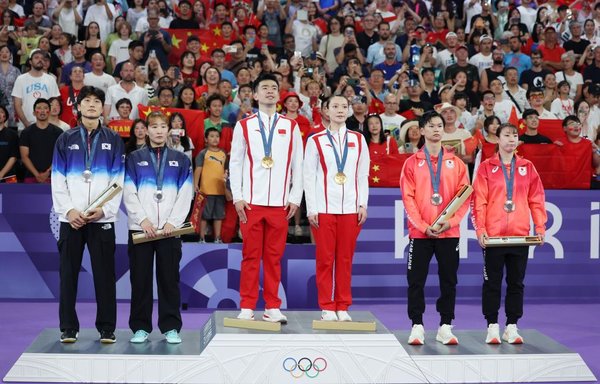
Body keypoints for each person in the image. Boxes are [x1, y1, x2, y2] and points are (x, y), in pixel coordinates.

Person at [51, 86, 125, 343]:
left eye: (97, 101)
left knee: (105, 276)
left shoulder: (114, 140)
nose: (92, 105)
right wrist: (69, 210)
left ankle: (107, 328)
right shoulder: (65, 139)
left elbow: (118, 180)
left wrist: (104, 210)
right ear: (78, 107)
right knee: (68, 275)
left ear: (103, 108)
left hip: (101, 219)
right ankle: (68, 327)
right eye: (87, 101)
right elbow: (57, 180)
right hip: (71, 219)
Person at [229, 73, 303, 323]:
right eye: (265, 88)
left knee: (273, 257)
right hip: (251, 202)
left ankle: (272, 305)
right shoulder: (244, 125)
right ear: (255, 95)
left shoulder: (291, 126)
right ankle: (247, 305)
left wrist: (295, 198)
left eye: (274, 87)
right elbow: (236, 162)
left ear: (279, 95)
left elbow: (298, 166)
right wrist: (237, 197)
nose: (270, 91)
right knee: (250, 256)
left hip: (280, 204)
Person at [472, 122, 547, 344]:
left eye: (515, 135)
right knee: (492, 282)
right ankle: (492, 326)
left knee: (516, 282)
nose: (511, 139)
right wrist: (481, 230)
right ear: (497, 139)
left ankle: (512, 326)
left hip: (520, 236)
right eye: (507, 135)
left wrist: (540, 227)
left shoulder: (527, 167)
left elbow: (537, 200)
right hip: (494, 237)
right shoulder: (486, 167)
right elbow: (479, 202)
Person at [400, 110, 470, 345]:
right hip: (420, 234)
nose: (436, 129)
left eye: (439, 125)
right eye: (430, 126)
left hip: (448, 233)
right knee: (416, 279)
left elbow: (465, 197)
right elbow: (407, 199)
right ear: (421, 131)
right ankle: (417, 325)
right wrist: (422, 226)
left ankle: (445, 325)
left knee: (449, 280)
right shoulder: (411, 163)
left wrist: (449, 222)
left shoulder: (456, 163)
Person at [123, 110, 192, 344]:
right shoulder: (133, 158)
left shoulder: (181, 159)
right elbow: (128, 190)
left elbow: (186, 193)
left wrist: (173, 221)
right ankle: (140, 327)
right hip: (141, 229)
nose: (159, 130)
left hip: (169, 230)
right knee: (140, 280)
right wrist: (142, 220)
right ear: (146, 130)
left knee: (169, 279)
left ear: (169, 130)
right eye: (154, 127)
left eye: (163, 126)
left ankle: (170, 326)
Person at [303, 94, 369, 321]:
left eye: (344, 106)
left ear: (349, 110)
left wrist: (362, 203)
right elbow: (308, 176)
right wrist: (311, 208)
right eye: (335, 106)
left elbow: (362, 175)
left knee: (345, 259)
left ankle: (343, 305)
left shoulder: (359, 140)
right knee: (325, 259)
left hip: (350, 208)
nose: (340, 110)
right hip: (324, 208)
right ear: (326, 110)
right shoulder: (316, 140)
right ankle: (327, 306)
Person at [12, 49, 60, 132]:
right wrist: (26, 124)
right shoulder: (21, 79)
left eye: (42, 58)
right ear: (30, 61)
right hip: (25, 126)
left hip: (47, 126)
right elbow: (17, 105)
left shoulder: (51, 79)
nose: (40, 60)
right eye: (36, 57)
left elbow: (54, 103)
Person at [193, 127, 227, 244]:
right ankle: (202, 238)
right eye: (211, 136)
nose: (215, 138)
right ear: (206, 139)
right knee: (204, 216)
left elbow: (226, 171)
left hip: (220, 190)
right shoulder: (203, 153)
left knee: (219, 216)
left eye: (217, 136)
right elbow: (198, 169)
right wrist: (195, 184)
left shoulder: (223, 154)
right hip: (206, 190)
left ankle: (217, 238)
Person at [19, 98, 63, 183]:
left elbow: (60, 156)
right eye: (39, 108)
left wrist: (48, 172)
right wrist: (37, 174)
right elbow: (24, 157)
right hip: (31, 176)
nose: (42, 111)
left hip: (53, 177)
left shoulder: (58, 132)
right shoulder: (26, 133)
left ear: (49, 112)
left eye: (45, 108)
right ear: (34, 113)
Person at [0, 105, 18, 181]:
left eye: (1, 112)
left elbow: (14, 157)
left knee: (13, 192)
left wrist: (1, 173)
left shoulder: (12, 134)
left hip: (9, 177)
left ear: (5, 117)